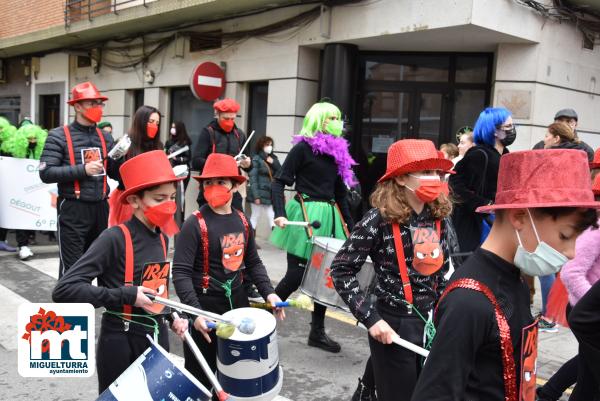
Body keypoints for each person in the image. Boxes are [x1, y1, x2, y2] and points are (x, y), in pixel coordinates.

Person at [411, 149, 600, 401]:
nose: (572, 252)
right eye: (565, 236)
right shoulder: (469, 301)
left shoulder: (514, 280)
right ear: (520, 216)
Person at [52, 150, 188, 393]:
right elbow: (65, 290)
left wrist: (172, 314)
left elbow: (155, 291)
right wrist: (125, 295)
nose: (168, 205)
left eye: (171, 197)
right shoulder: (113, 238)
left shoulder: (162, 238)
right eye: (159, 199)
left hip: (157, 339)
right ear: (135, 200)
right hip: (120, 341)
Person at [331, 139, 453, 401]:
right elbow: (341, 270)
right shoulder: (378, 220)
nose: (434, 179)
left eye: (436, 173)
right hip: (393, 324)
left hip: (431, 323)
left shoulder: (440, 218)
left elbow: (443, 274)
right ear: (401, 179)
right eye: (425, 172)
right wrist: (371, 318)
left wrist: (447, 315)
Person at [172, 153, 284, 393]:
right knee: (201, 381)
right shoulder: (194, 223)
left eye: (221, 182)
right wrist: (196, 314)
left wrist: (270, 293)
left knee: (234, 379)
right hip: (204, 310)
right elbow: (180, 273)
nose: (213, 188)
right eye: (208, 183)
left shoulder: (242, 220)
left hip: (238, 306)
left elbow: (253, 263)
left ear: (234, 185)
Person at [270, 101, 355, 353]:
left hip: (329, 216)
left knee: (322, 279)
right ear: (319, 119)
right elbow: (279, 182)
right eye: (332, 117)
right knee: (295, 275)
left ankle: (317, 333)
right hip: (305, 213)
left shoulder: (337, 152)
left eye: (338, 117)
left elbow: (340, 194)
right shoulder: (303, 149)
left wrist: (351, 227)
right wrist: (279, 213)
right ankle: (264, 318)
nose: (337, 121)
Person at [39, 82, 118, 278]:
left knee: (101, 264)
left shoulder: (106, 138)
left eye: (100, 103)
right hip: (73, 208)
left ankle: (98, 306)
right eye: (92, 103)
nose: (98, 108)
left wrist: (124, 156)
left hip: (101, 207)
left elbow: (115, 173)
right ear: (77, 106)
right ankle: (71, 308)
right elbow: (46, 173)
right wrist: (83, 170)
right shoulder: (58, 136)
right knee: (72, 269)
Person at [537, 173, 600, 401]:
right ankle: (547, 393)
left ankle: (547, 393)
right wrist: (592, 304)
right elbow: (572, 271)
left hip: (590, 311)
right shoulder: (596, 230)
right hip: (587, 312)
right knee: (589, 369)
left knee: (588, 368)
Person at [450, 107, 514, 254]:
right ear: (493, 130)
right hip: (474, 226)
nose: (512, 130)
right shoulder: (478, 154)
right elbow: (456, 185)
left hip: (495, 222)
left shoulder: (505, 155)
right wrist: (484, 204)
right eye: (508, 126)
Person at [108, 105, 164, 227]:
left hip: (152, 198)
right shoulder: (125, 143)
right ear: (141, 122)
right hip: (129, 200)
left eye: (157, 123)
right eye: (150, 122)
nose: (154, 126)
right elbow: (112, 172)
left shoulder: (158, 145)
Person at [191, 98, 252, 211]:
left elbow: (249, 165)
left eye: (232, 119)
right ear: (217, 115)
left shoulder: (240, 135)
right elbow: (195, 161)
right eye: (226, 118)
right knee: (209, 225)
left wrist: (247, 164)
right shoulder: (208, 132)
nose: (229, 121)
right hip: (211, 189)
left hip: (232, 190)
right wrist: (219, 164)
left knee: (237, 223)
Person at [2, 121, 48, 260]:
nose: (32, 141)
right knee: (20, 218)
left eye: (35, 138)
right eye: (29, 139)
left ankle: (26, 243)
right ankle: (23, 245)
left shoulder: (41, 151)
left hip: (35, 190)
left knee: (30, 217)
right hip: (17, 190)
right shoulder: (11, 152)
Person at [568, 279, 600, 400]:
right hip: (588, 316)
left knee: (586, 381)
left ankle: (548, 392)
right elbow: (571, 272)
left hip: (589, 317)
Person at [247, 136, 280, 232]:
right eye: (267, 145)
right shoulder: (256, 159)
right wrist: (256, 196)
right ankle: (251, 240)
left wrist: (273, 162)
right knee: (255, 216)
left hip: (269, 193)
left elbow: (280, 172)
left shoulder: (273, 158)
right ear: (261, 146)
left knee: (272, 215)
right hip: (258, 193)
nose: (269, 147)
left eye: (271, 145)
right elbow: (253, 178)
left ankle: (275, 237)